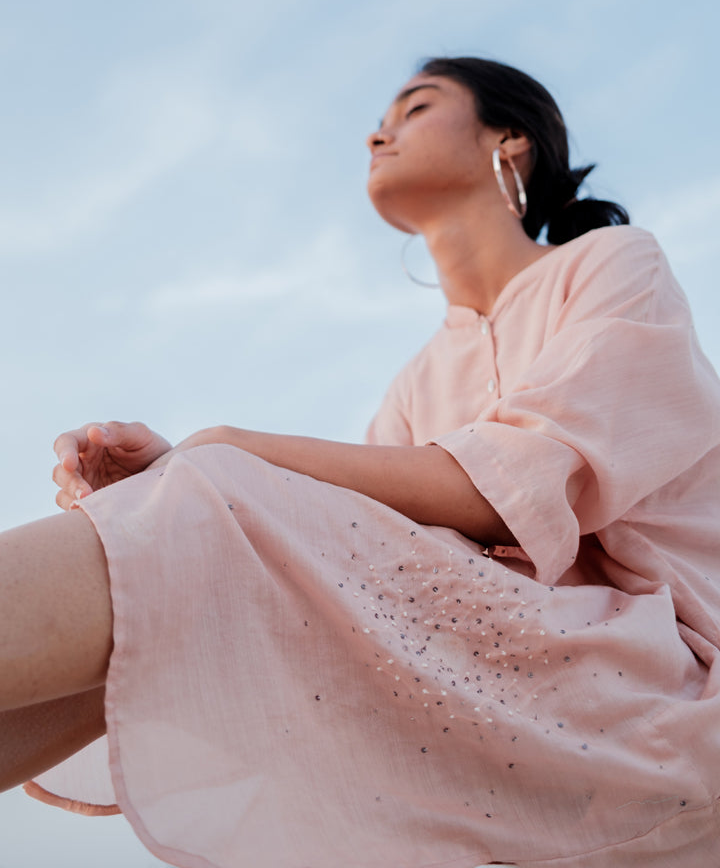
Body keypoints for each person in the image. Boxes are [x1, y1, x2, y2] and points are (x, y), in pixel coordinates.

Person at [1, 57, 719, 868]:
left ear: (510, 140)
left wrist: (223, 457)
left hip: (662, 680)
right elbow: (347, 547)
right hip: (498, 667)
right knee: (199, 580)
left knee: (217, 508)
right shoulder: (416, 384)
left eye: (416, 107)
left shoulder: (613, 265)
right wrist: (176, 483)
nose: (380, 130)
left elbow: (507, 491)